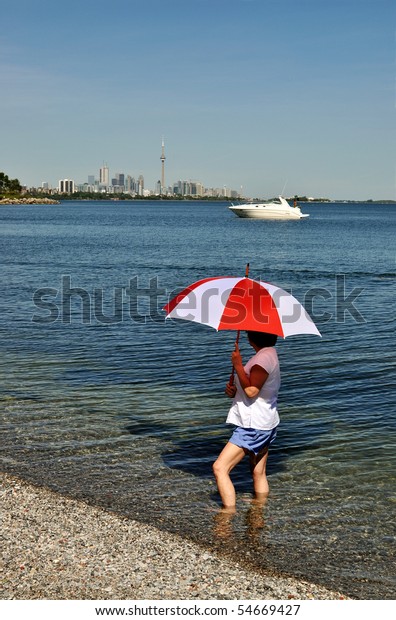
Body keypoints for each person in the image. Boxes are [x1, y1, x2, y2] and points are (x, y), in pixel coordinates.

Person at [212, 331, 280, 509]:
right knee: (258, 471)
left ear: (252, 338)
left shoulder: (262, 360)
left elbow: (252, 391)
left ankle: (228, 513)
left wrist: (238, 365)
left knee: (220, 468)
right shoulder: (268, 354)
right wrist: (235, 392)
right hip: (266, 421)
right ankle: (259, 509)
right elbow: (250, 388)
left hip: (253, 426)